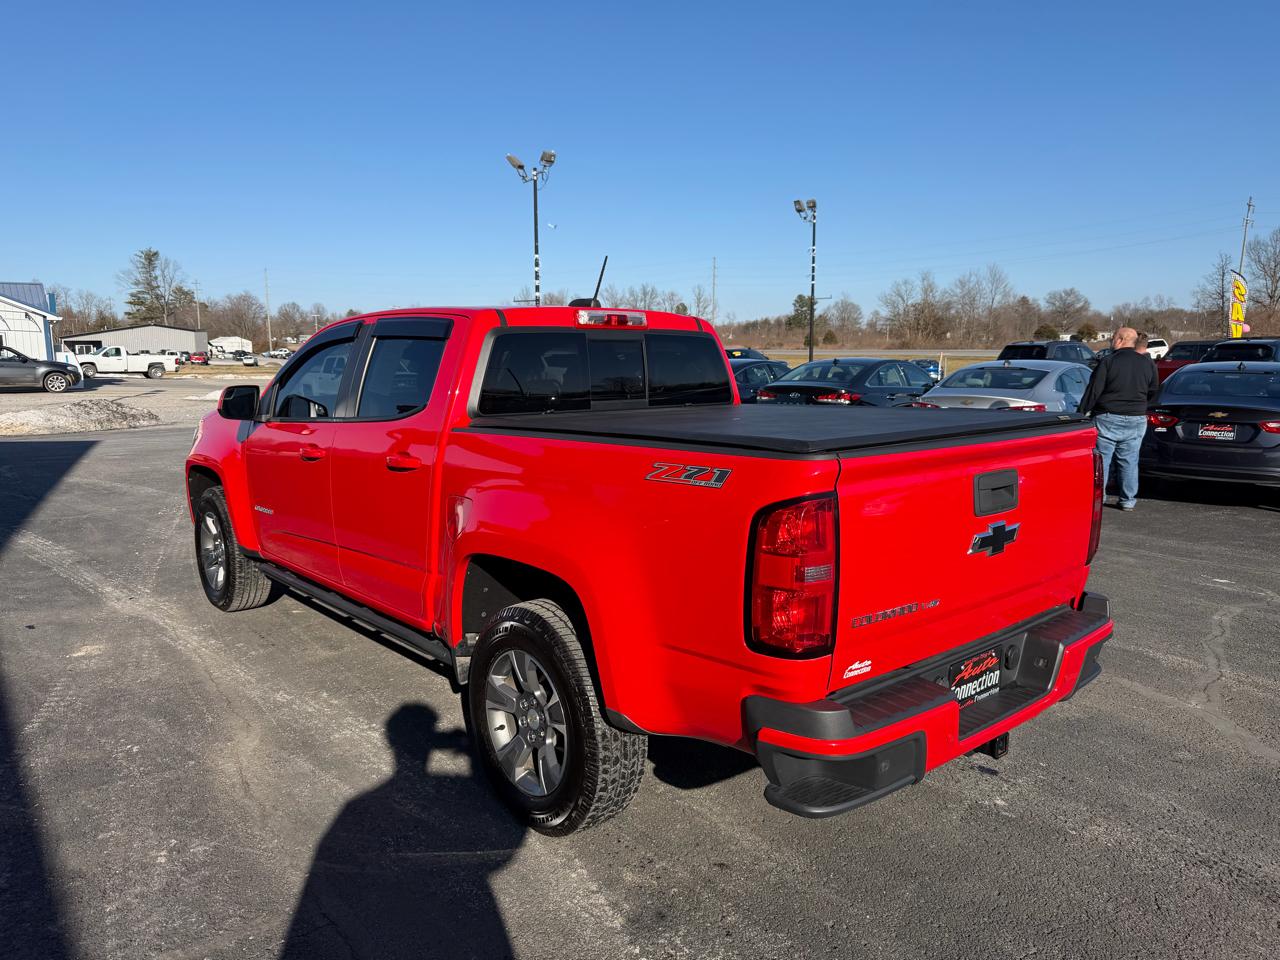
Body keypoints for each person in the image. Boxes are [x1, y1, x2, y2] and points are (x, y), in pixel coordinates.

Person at [1080, 326, 1158, 510]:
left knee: (1102, 461)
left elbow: (1094, 391)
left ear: (1119, 340)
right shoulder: (1148, 363)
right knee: (1129, 461)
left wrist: (1081, 413)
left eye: (1113, 338)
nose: (1111, 341)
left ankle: (1100, 498)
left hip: (1107, 417)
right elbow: (1153, 390)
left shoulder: (1108, 361)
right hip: (1136, 418)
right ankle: (1127, 500)